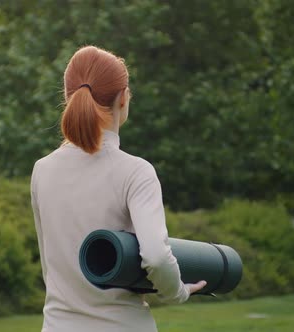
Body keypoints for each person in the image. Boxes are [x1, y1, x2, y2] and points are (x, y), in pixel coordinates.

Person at [30, 45, 206, 332]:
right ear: (124, 98)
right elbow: (157, 257)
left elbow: (50, 267)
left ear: (67, 96)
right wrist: (177, 291)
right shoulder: (136, 172)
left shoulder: (42, 170)